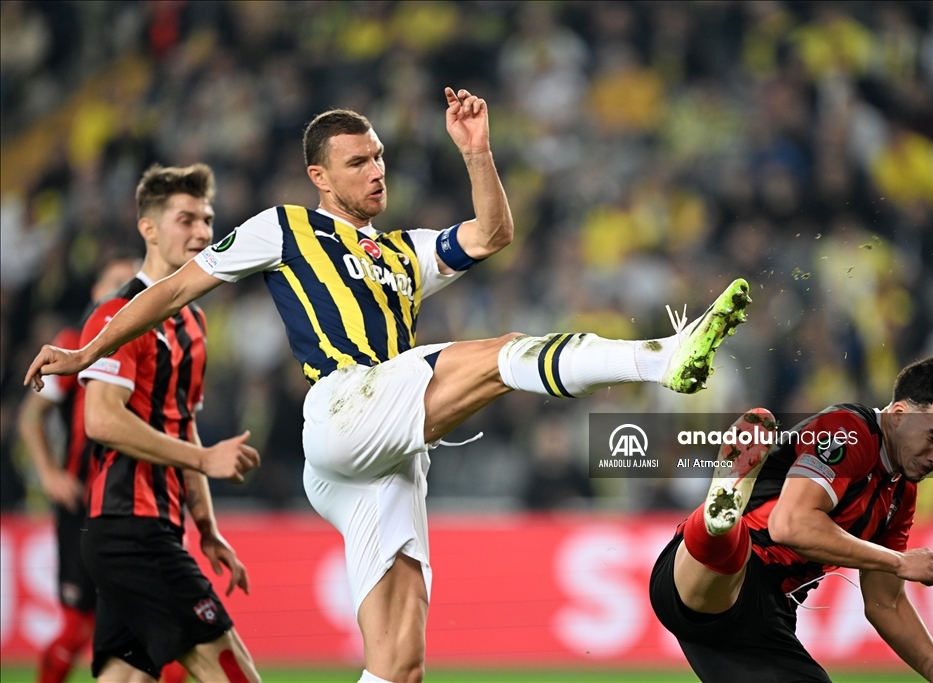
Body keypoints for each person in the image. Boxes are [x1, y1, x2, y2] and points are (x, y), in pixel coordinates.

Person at [26, 88, 752, 683]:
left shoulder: (405, 252)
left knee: (400, 664)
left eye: (379, 157)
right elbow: (175, 289)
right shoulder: (284, 228)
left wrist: (477, 152)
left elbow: (492, 234)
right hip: (345, 407)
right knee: (502, 354)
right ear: (320, 176)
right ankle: (661, 358)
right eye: (358, 161)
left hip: (387, 456)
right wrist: (89, 348)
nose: (377, 171)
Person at [649, 357, 933, 683]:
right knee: (733, 556)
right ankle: (720, 519)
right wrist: (898, 561)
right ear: (899, 414)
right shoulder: (849, 431)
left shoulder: (902, 494)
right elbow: (790, 525)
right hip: (725, 574)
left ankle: (721, 516)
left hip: (760, 621)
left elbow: (886, 604)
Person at [72, 164, 261, 683]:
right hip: (127, 528)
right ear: (149, 229)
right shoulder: (117, 314)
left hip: (157, 526)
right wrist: (203, 459)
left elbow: (183, 423)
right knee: (234, 671)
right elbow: (101, 420)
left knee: (126, 676)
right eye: (187, 219)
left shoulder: (193, 321)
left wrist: (208, 527)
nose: (202, 232)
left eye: (208, 220)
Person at [17, 254, 138, 683]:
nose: (125, 291)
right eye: (116, 281)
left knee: (158, 630)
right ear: (96, 291)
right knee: (77, 627)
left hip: (133, 505)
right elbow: (30, 417)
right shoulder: (75, 343)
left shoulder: (148, 344)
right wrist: (50, 474)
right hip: (83, 505)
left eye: (133, 283)